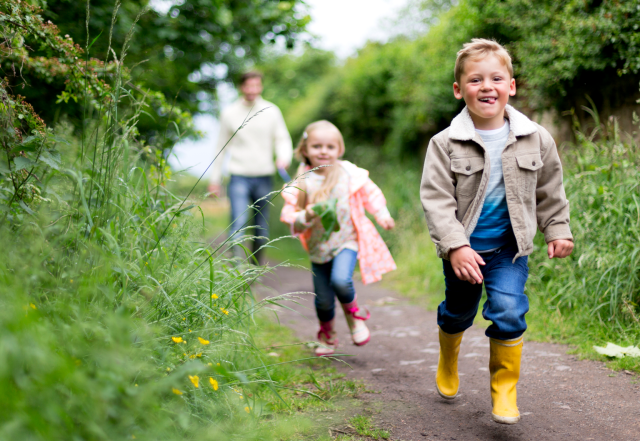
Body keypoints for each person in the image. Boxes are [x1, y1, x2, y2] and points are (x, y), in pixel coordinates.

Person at [420, 39, 574, 425]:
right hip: (465, 250)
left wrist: (557, 229)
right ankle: (449, 356)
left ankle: (504, 390)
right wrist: (455, 247)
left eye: (496, 78)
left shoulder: (536, 137)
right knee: (458, 313)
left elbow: (549, 190)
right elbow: (437, 200)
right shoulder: (444, 144)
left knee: (508, 310)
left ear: (512, 85)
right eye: (475, 79)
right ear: (459, 90)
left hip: (509, 248)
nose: (487, 86)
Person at [280, 120, 396, 357]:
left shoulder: (348, 172)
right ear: (305, 150)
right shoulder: (302, 181)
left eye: (330, 147)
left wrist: (382, 214)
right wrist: (308, 214)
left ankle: (355, 317)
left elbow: (369, 193)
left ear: (339, 150)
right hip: (318, 247)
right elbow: (291, 218)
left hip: (347, 240)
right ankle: (328, 335)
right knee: (323, 300)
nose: (323, 151)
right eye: (317, 146)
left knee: (341, 281)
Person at [209, 71, 292, 263]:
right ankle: (236, 269)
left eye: (256, 85)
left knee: (261, 227)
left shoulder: (272, 110)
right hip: (238, 175)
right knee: (237, 223)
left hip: (264, 175)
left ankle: (255, 268)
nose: (252, 90)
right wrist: (215, 180)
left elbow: (282, 138)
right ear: (241, 87)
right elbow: (220, 148)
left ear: (261, 87)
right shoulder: (229, 113)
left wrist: (283, 157)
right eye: (248, 86)